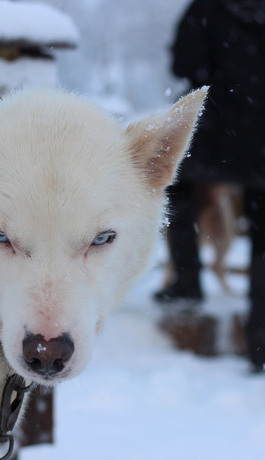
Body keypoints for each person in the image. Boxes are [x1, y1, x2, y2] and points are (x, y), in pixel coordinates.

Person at [155, 0, 265, 371]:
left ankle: (186, 281)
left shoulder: (206, 7)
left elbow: (183, 64)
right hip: (262, 137)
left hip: (217, 131)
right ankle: (261, 336)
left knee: (173, 192)